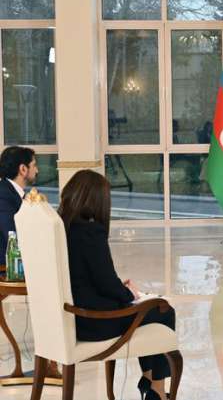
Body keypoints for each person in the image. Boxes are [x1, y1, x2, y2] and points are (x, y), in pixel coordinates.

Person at [59, 170, 178, 400]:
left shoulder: (65, 228)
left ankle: (149, 380)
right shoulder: (90, 231)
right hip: (95, 322)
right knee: (163, 310)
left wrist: (120, 289)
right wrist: (129, 293)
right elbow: (106, 283)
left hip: (73, 317)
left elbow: (88, 277)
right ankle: (157, 390)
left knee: (148, 310)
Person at [0, 146, 37, 265]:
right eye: (34, 165)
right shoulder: (3, 194)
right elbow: (12, 236)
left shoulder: (11, 192)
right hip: (7, 268)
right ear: (23, 169)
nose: (37, 171)